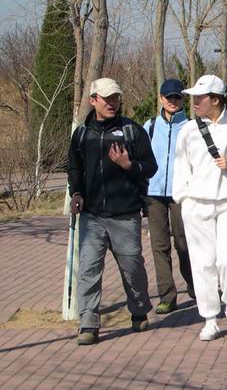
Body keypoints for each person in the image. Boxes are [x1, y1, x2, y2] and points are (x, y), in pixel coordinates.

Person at [68, 78, 158, 345]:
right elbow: (74, 168)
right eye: (106, 98)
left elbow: (150, 167)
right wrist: (76, 193)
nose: (112, 103)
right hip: (92, 215)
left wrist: (128, 164)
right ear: (93, 100)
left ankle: (139, 311)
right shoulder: (82, 134)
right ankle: (88, 324)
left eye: (116, 98)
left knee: (132, 269)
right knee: (88, 269)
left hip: (125, 214)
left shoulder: (133, 131)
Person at [172, 75, 227, 341]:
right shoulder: (188, 130)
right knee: (204, 264)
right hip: (197, 204)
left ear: (216, 100)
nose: (194, 102)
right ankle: (210, 319)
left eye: (200, 98)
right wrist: (183, 199)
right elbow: (181, 167)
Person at [143, 79, 194, 315]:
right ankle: (167, 296)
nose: (173, 101)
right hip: (153, 194)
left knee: (183, 242)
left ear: (182, 100)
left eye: (177, 97)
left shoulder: (191, 127)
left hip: (181, 193)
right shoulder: (150, 126)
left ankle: (195, 283)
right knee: (159, 245)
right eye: (169, 97)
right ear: (161, 98)